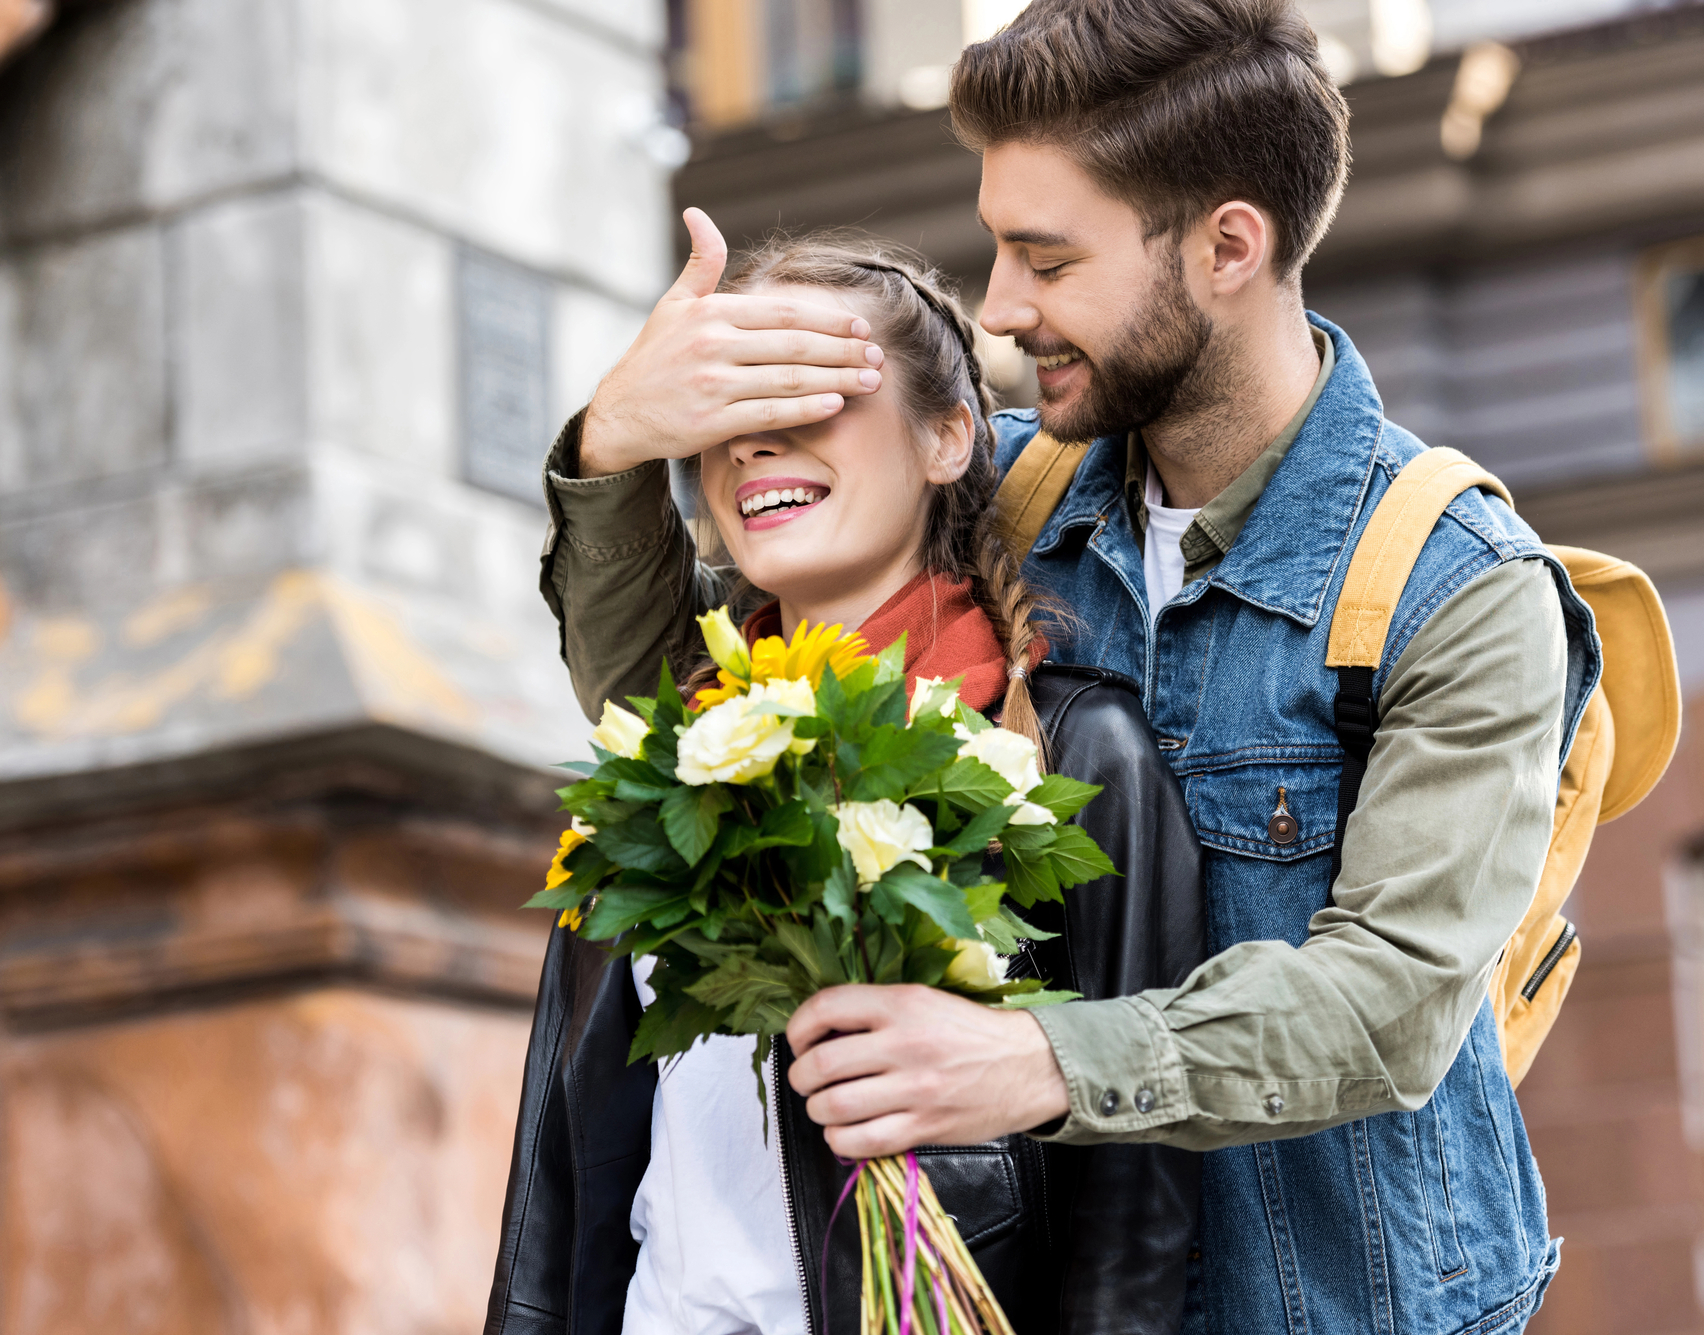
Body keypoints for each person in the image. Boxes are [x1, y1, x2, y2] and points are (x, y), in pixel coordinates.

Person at [535, 3, 1607, 1332]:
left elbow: (1386, 1002)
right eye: (997, 248)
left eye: (1046, 259)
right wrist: (612, 453)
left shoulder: (1459, 588)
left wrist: (1034, 1058)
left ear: (1228, 246)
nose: (999, 306)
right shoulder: (1014, 492)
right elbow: (689, 720)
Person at [485, 233, 1206, 1335]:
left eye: (813, 391)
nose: (756, 441)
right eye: (726, 410)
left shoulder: (1072, 750)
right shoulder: (668, 764)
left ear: (946, 438)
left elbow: (1134, 1220)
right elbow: (565, 1187)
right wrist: (613, 435)